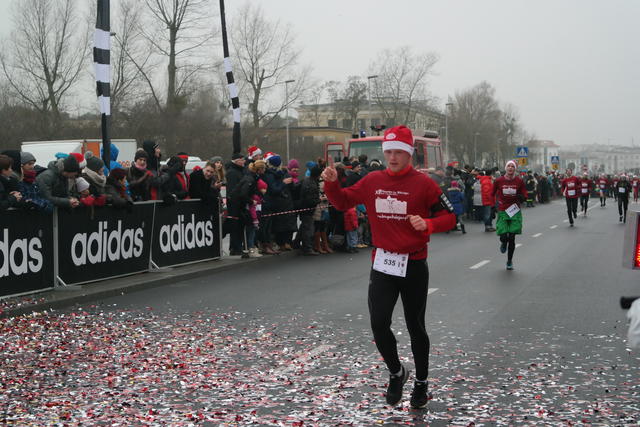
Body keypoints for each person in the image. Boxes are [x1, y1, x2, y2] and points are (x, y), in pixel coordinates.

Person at [322, 125, 456, 409]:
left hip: (413, 263)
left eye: (399, 152)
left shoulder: (424, 184)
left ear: (409, 154)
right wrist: (332, 184)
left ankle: (421, 382)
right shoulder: (373, 180)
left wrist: (428, 224)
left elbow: (451, 217)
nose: (393, 157)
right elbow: (342, 201)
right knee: (378, 322)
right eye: (389, 152)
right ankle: (397, 372)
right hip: (383, 263)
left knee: (415, 326)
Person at [492, 160, 527, 270]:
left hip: (514, 210)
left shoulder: (519, 181)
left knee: (512, 237)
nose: (510, 168)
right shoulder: (498, 181)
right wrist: (492, 206)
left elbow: (524, 194)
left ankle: (509, 261)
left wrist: (522, 197)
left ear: (515, 169)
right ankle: (503, 243)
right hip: (503, 210)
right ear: (506, 168)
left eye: (512, 166)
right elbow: (492, 193)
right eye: (509, 166)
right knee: (503, 236)